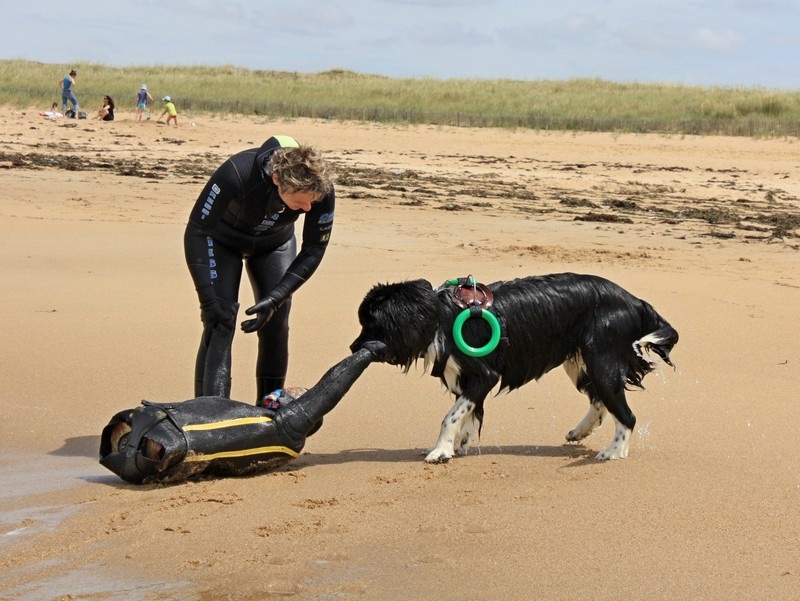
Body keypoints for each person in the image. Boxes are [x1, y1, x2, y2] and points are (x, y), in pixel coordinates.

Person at [98, 342, 387, 484]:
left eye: (293, 394)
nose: (284, 390)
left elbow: (328, 390)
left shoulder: (287, 430)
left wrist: (369, 352)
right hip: (157, 463)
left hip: (163, 439)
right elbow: (213, 400)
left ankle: (131, 446)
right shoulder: (268, 437)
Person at [184, 135, 335, 406]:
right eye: (301, 203)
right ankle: (209, 412)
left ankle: (269, 410)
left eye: (312, 202)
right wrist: (208, 300)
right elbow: (197, 230)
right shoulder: (237, 172)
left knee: (276, 322)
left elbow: (314, 249)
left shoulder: (320, 188)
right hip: (220, 241)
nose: (308, 209)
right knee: (220, 320)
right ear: (278, 180)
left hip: (274, 244)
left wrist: (277, 296)